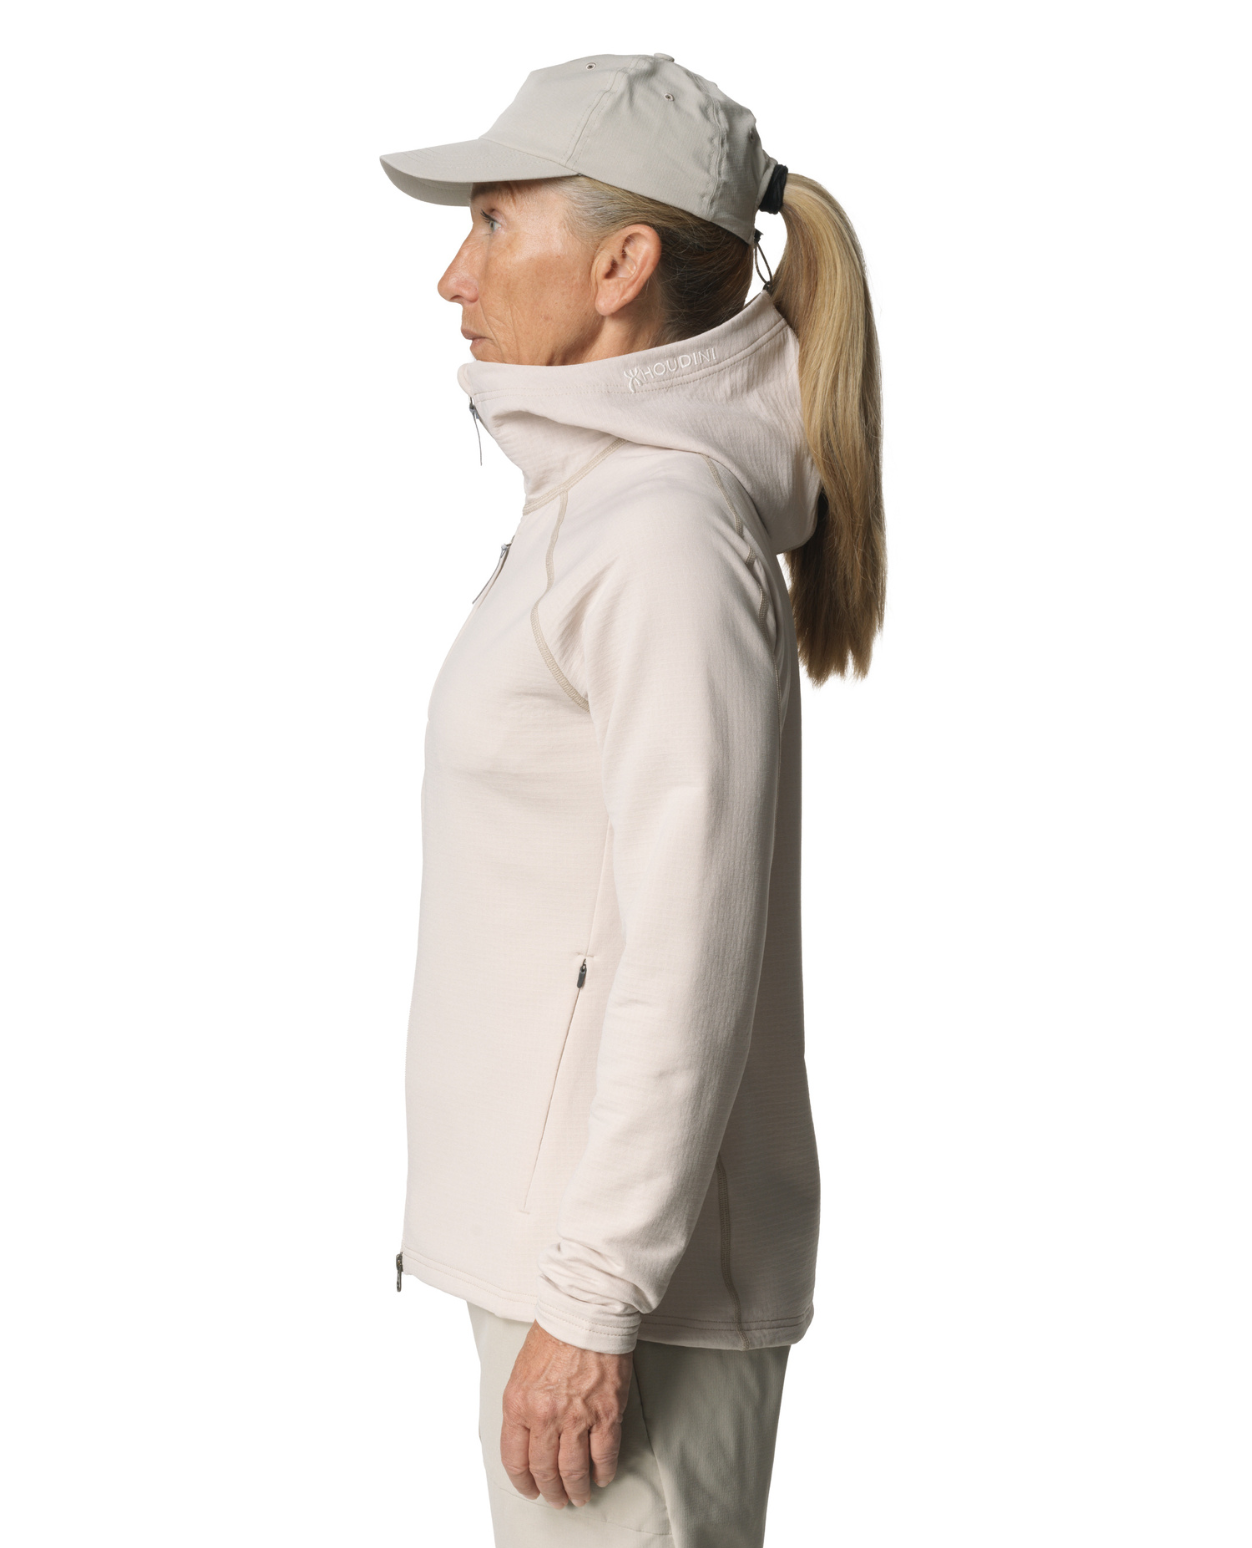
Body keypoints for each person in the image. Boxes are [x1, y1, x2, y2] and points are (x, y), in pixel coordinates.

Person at [379, 51, 884, 1548]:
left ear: (622, 266)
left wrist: (594, 1301)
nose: (454, 275)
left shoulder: (661, 530)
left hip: (619, 1304)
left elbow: (690, 943)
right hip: (570, 1275)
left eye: (493, 222)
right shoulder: (607, 509)